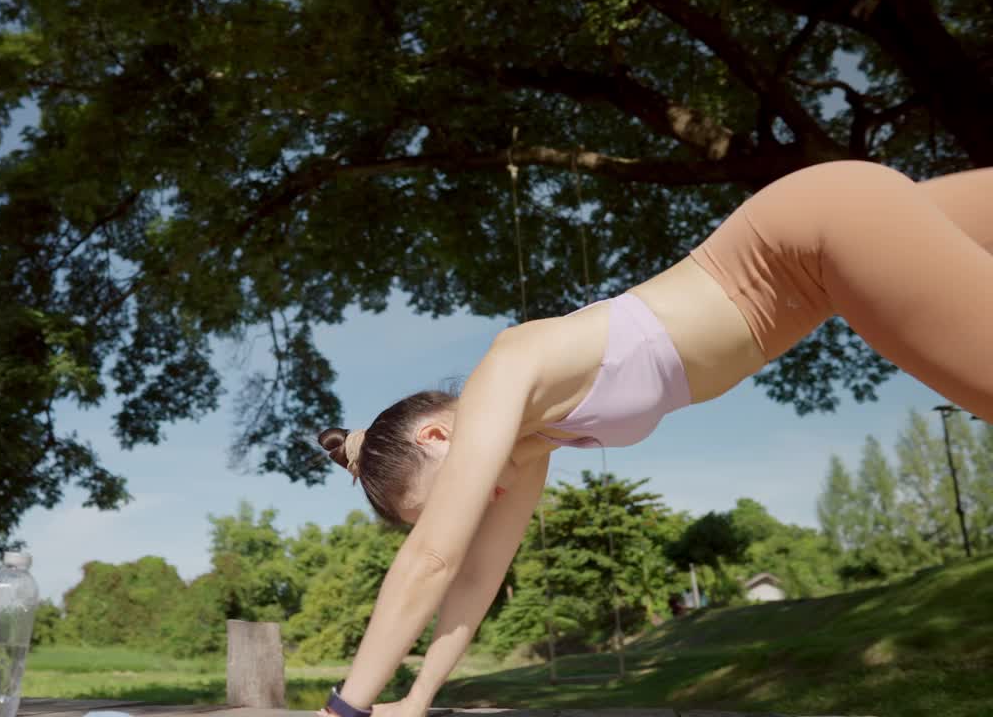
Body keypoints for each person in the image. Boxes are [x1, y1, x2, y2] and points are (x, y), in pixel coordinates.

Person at [312, 161, 993, 717]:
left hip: (816, 230)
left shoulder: (507, 369)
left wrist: (343, 710)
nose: (474, 504)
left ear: (436, 434)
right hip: (825, 249)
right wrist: (416, 697)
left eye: (447, 497)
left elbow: (433, 557)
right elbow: (474, 576)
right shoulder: (534, 443)